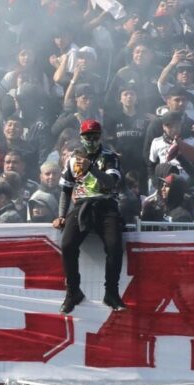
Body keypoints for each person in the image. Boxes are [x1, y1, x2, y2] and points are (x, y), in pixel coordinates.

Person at [54, 120, 125, 314]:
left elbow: (111, 183)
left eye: (95, 136)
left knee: (115, 247)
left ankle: (111, 292)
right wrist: (61, 215)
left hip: (106, 204)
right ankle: (73, 292)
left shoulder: (110, 157)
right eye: (87, 136)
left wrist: (91, 168)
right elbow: (65, 189)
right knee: (67, 245)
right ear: (81, 137)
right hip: (82, 205)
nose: (91, 140)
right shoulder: (72, 159)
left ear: (100, 136)